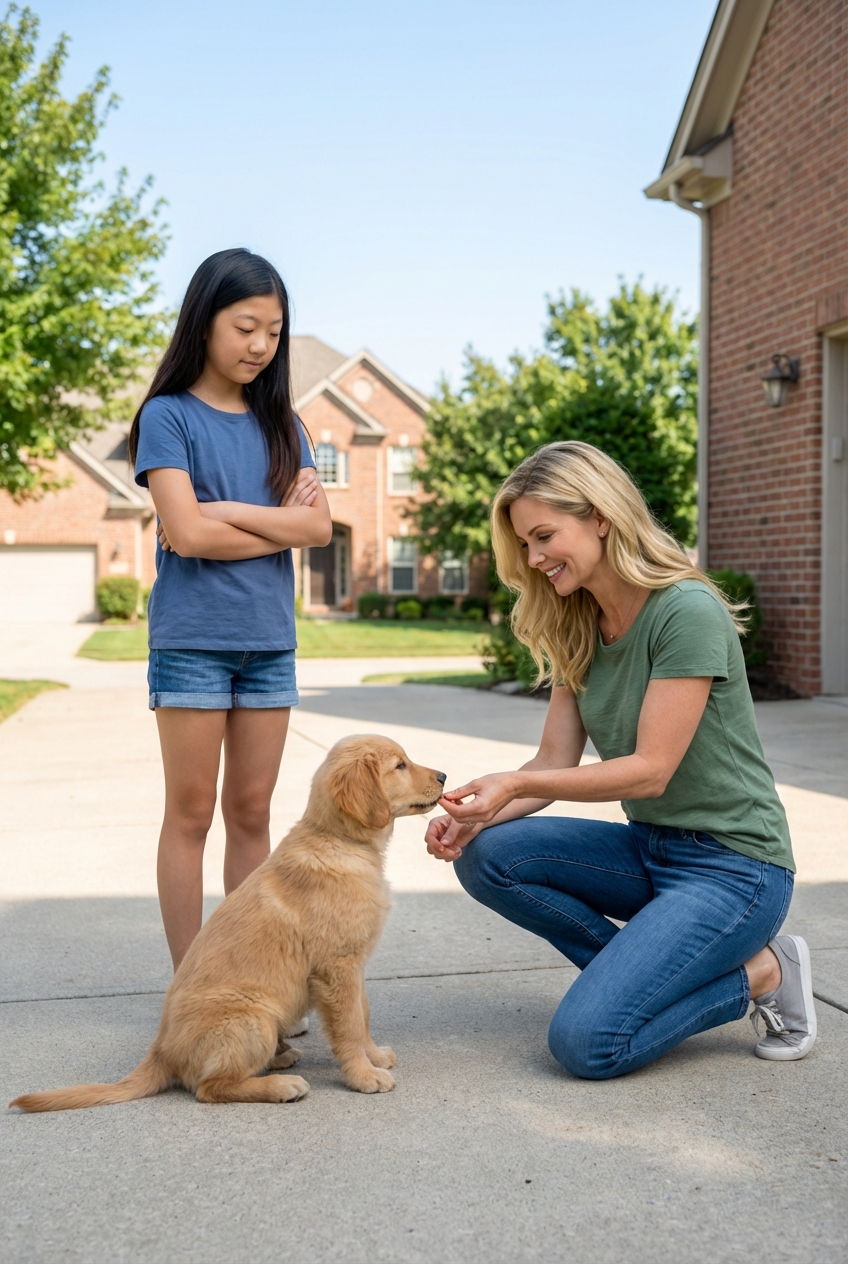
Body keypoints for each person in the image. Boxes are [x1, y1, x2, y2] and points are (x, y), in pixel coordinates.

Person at [425, 441, 816, 1078]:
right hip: (650, 849)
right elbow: (555, 758)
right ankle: (639, 982)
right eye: (525, 544)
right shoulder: (578, 622)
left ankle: (764, 969)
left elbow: (650, 768)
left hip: (736, 871)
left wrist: (517, 781)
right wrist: (479, 817)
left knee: (588, 1045)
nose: (534, 558)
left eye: (544, 535)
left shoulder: (685, 611)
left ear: (601, 517)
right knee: (488, 855)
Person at [129, 248, 331, 971]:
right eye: (246, 325)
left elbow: (317, 529)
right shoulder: (167, 416)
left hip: (269, 643)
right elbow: (184, 532)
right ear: (205, 321)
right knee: (191, 816)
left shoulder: (285, 424)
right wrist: (269, 522)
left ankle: (250, 975)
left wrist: (230, 514)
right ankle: (193, 984)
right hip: (192, 641)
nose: (259, 345)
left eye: (274, 332)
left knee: (252, 816)